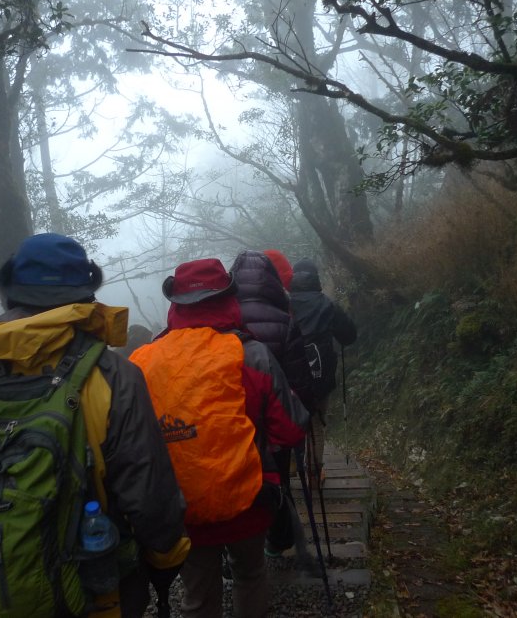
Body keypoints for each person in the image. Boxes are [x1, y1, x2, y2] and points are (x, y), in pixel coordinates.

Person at [0, 233, 189, 618]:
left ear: (10, 293)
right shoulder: (114, 375)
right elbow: (147, 490)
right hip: (101, 588)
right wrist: (167, 559)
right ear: (86, 295)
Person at [130, 258, 309, 618]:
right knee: (250, 574)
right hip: (248, 498)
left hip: (182, 505)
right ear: (230, 298)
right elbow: (290, 429)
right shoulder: (250, 354)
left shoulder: (142, 361)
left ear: (175, 305)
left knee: (198, 592)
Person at [229, 250, 313, 558]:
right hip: (277, 419)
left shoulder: (225, 321)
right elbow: (299, 380)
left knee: (238, 480)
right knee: (279, 480)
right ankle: (279, 539)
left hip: (238, 418)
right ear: (272, 281)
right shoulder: (285, 319)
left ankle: (241, 548)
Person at [289, 258, 358, 485]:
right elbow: (348, 336)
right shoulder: (327, 304)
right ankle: (315, 473)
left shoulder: (285, 304)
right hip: (321, 374)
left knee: (291, 419)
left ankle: (291, 464)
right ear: (316, 278)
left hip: (291, 375)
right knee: (317, 422)